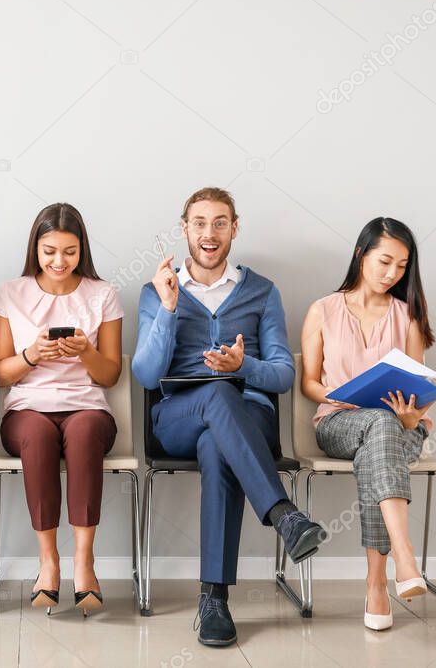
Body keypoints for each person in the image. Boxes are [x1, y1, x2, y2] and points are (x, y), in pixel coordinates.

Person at [132, 187, 326, 647]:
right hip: (176, 417)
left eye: (220, 222)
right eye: (199, 223)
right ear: (184, 229)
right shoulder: (156, 292)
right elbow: (144, 374)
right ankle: (283, 514)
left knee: (218, 442)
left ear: (234, 229)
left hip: (249, 417)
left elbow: (282, 375)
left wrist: (245, 368)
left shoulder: (262, 292)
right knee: (214, 396)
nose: (209, 233)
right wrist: (168, 308)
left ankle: (214, 600)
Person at [299, 217, 434, 631]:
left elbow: (419, 394)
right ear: (361, 254)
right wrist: (335, 396)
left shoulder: (407, 315)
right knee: (377, 428)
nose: (392, 273)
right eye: (384, 261)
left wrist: (414, 415)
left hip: (400, 428)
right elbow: (308, 382)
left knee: (380, 434)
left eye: (402, 265)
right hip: (338, 423)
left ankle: (378, 583)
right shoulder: (323, 310)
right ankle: (401, 557)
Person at [0, 203, 123, 616]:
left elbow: (110, 375)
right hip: (27, 411)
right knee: (40, 436)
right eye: (49, 251)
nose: (59, 261)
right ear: (36, 248)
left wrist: (86, 352)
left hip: (88, 409)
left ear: (82, 249)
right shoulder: (10, 294)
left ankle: (85, 560)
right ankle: (48, 561)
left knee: (82, 434)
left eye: (69, 251)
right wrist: (31, 355)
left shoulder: (103, 296)